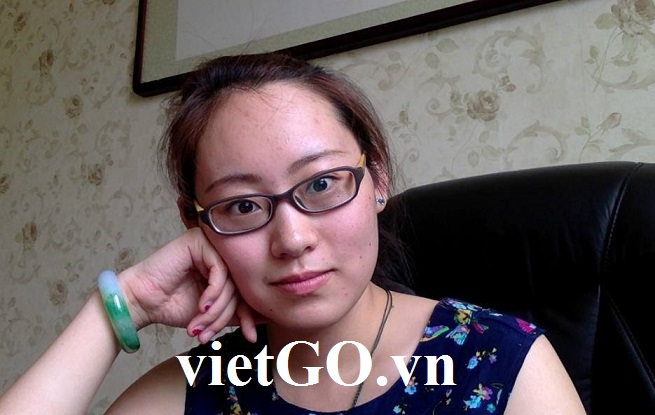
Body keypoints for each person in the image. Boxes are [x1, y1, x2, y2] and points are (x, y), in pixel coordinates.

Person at [0, 52, 585, 414]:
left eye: (322, 184)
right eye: (242, 205)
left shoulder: (501, 363)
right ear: (196, 225)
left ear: (377, 179)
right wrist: (122, 307)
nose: (292, 239)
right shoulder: (192, 393)